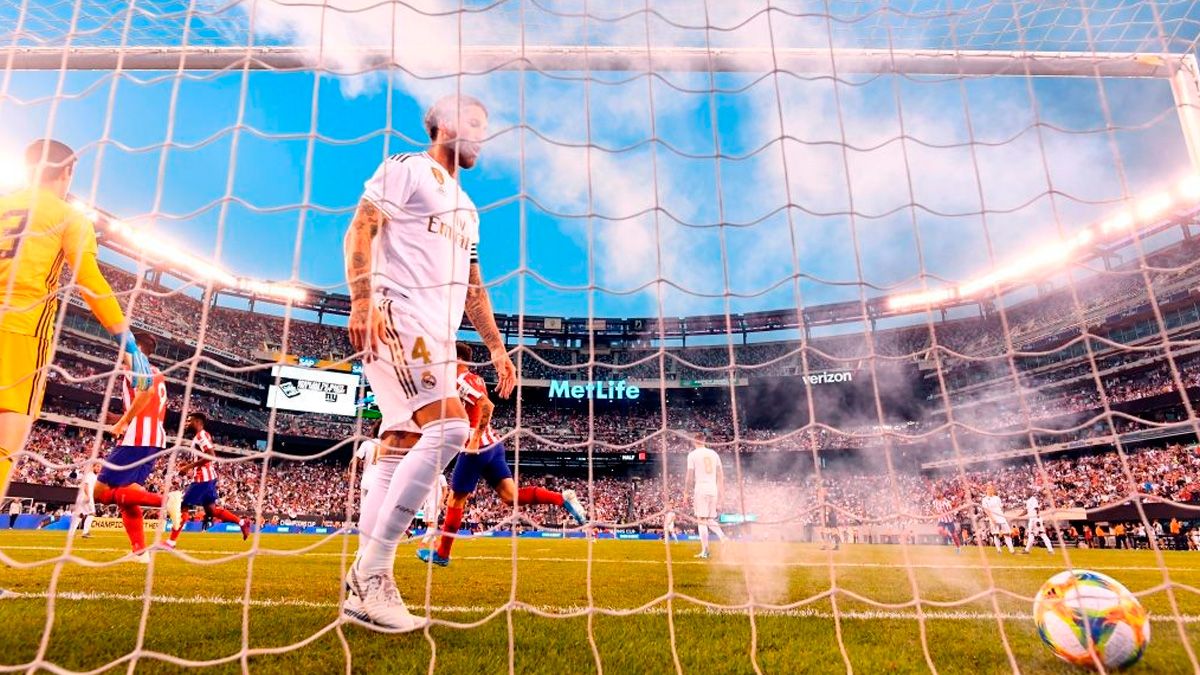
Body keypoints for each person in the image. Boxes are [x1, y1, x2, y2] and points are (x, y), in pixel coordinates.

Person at [341, 94, 517, 631]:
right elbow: (361, 226)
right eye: (472, 122)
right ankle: (372, 573)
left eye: (486, 126)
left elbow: (473, 286)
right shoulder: (407, 168)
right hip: (396, 312)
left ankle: (360, 588)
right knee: (449, 427)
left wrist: (494, 346)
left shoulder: (468, 211)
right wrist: (362, 297)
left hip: (437, 335)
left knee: (400, 442)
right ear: (440, 124)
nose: (480, 134)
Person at [0, 139, 153, 500]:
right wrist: (128, 345)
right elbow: (90, 281)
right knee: (7, 440)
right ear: (68, 172)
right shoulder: (68, 215)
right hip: (21, 332)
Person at [416, 343, 586, 567]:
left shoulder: (460, 381)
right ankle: (561, 499)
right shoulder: (473, 379)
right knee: (510, 497)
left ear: (458, 359)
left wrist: (475, 437)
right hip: (493, 445)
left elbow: (487, 406)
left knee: (455, 499)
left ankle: (442, 554)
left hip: (476, 448)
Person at [92, 331, 181, 561]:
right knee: (129, 495)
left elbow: (146, 392)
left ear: (136, 346)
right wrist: (117, 417)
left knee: (100, 492)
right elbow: (149, 402)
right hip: (154, 437)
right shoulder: (158, 372)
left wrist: (122, 423)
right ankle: (139, 551)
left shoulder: (135, 363)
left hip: (137, 437)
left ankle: (166, 501)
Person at [165, 413, 250, 548]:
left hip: (202, 479)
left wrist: (188, 467)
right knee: (211, 511)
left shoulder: (201, 436)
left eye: (190, 420)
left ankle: (171, 542)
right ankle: (241, 523)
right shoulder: (200, 436)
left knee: (183, 506)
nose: (187, 423)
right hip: (208, 478)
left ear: (198, 421)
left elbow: (211, 456)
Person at [685, 434, 726, 559]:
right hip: (712, 488)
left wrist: (686, 493)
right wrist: (721, 493)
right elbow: (720, 475)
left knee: (701, 520)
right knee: (709, 519)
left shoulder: (692, 455)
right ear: (704, 441)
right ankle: (723, 537)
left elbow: (689, 476)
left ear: (694, 441)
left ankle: (705, 551)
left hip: (701, 488)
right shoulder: (714, 454)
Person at [980, 484, 1014, 553]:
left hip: (1001, 517)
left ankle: (1011, 549)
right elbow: (986, 510)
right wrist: (992, 518)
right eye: (989, 489)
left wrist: (1002, 515)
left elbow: (1000, 508)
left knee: (1007, 533)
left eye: (991, 489)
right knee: (996, 534)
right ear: (986, 490)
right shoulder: (985, 499)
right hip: (993, 518)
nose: (990, 490)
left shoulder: (997, 498)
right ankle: (998, 549)